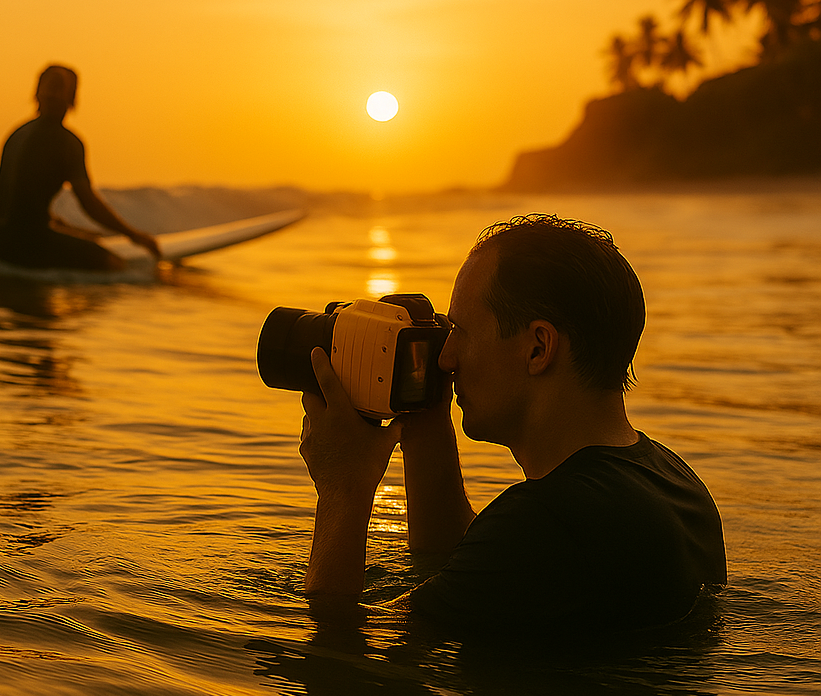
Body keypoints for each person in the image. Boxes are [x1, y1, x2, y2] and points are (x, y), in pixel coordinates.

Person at [298, 214, 727, 636]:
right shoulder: (672, 482)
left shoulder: (548, 523)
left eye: (460, 332)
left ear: (538, 348)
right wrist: (426, 414)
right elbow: (459, 564)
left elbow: (340, 645)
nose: (446, 359)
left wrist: (343, 490)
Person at [0, 65, 161, 271]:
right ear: (72, 98)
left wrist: (61, 226)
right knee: (120, 268)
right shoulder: (67, 142)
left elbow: (18, 198)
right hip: (28, 246)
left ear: (36, 94)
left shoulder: (17, 133)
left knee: (83, 245)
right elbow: (88, 202)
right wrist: (135, 235)